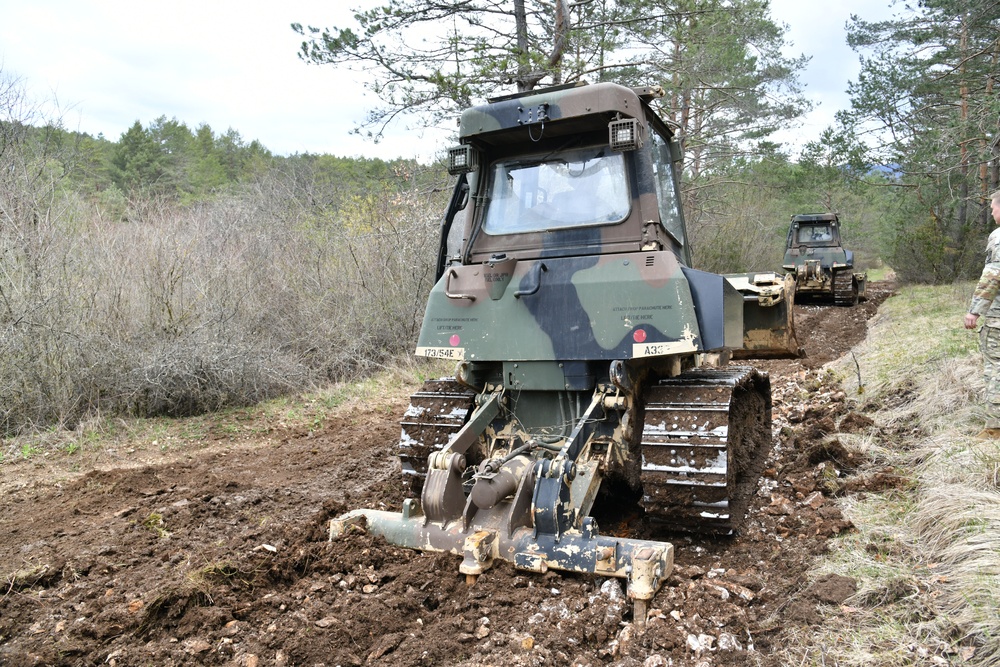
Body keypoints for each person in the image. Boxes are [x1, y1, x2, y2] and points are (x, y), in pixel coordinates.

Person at [964, 189, 1000, 437]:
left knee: (996, 367)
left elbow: (993, 275)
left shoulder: (998, 237)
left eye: (994, 207)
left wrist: (975, 311)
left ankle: (994, 427)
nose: (991, 211)